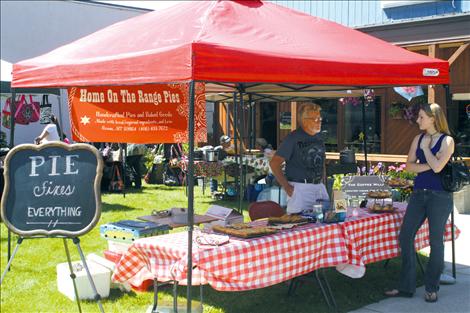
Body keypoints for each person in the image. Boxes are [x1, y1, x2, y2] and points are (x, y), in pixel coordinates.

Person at [385, 103, 454, 303]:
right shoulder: (418, 138)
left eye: (421, 117)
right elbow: (409, 166)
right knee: (405, 236)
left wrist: (426, 152)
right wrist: (429, 162)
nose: (417, 121)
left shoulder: (447, 141)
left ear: (433, 118)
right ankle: (406, 287)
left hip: (439, 197)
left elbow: (439, 168)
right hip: (418, 195)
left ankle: (431, 287)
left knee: (435, 242)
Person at [269, 103, 328, 214]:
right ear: (304, 121)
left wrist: (323, 182)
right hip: (300, 188)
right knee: (298, 222)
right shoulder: (293, 138)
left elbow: (322, 162)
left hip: (319, 187)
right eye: (315, 119)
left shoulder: (319, 137)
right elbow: (274, 163)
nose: (319, 121)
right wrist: (287, 187)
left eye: (320, 118)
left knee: (322, 223)